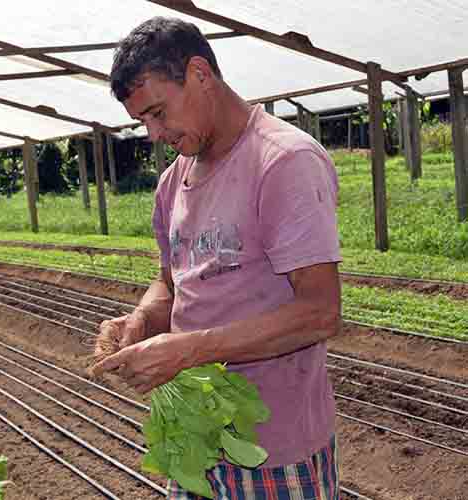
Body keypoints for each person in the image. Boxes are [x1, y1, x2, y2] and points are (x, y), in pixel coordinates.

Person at [91, 17, 342, 500]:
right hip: (196, 441)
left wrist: (186, 350)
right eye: (143, 120)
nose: (153, 133)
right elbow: (170, 281)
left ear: (200, 74)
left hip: (275, 450)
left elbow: (320, 312)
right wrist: (142, 319)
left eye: (159, 112)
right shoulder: (173, 182)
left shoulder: (282, 162)